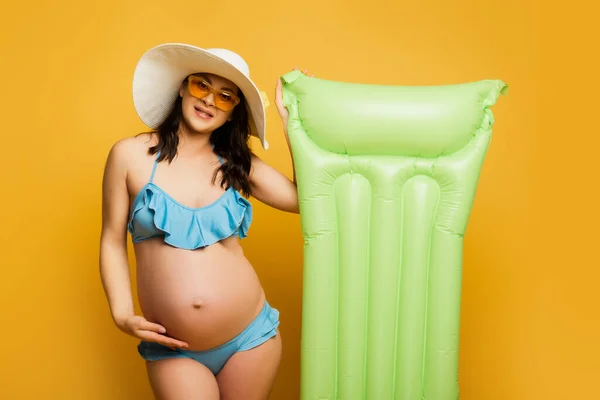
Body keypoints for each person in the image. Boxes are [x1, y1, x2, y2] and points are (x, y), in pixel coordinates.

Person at [99, 43, 303, 399]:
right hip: (174, 346)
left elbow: (304, 200)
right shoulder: (128, 156)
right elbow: (112, 240)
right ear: (182, 87)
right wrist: (121, 313)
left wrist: (293, 125)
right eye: (201, 85)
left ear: (232, 112)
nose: (210, 100)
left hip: (249, 338)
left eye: (225, 96)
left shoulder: (237, 164)